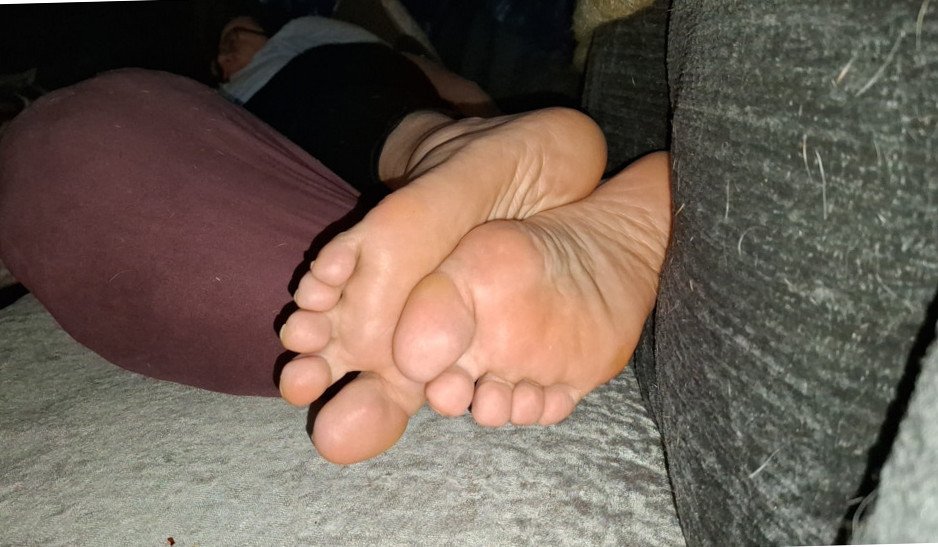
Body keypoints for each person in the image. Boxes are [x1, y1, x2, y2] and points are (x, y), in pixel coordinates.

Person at [0, 12, 671, 465]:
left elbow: (452, 82)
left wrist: (487, 125)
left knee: (63, 150)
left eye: (237, 33)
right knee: (324, 291)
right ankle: (427, 308)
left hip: (366, 109)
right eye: (221, 53)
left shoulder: (312, 36)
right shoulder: (216, 106)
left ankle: (443, 152)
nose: (229, 54)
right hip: (306, 177)